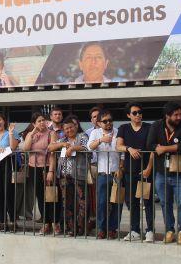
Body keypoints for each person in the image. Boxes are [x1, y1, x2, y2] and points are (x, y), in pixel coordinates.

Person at [147, 101, 181, 245]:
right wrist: (167, 147)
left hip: (180, 172)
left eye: (180, 114)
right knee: (165, 203)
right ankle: (169, 230)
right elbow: (150, 145)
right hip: (161, 172)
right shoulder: (156, 126)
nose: (179, 117)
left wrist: (164, 149)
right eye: (176, 115)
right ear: (167, 115)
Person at [116, 102, 155, 242]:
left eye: (139, 112)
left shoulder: (149, 127)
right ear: (128, 115)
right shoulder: (124, 128)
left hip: (145, 171)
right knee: (132, 201)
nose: (138, 114)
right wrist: (129, 149)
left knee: (148, 201)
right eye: (134, 113)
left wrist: (149, 168)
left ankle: (150, 230)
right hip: (130, 170)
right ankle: (134, 230)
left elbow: (153, 150)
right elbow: (118, 146)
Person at [20, 111, 60, 235]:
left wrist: (51, 171)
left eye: (43, 120)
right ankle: (45, 223)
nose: (42, 123)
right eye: (39, 121)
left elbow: (52, 153)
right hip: (34, 168)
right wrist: (33, 133)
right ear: (34, 123)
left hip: (47, 167)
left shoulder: (51, 133)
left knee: (51, 196)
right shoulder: (31, 134)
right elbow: (26, 149)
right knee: (40, 196)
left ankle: (55, 223)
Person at [50, 116, 89, 236]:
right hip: (64, 175)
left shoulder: (82, 136)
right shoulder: (63, 139)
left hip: (79, 174)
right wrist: (62, 144)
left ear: (76, 126)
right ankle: (71, 228)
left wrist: (72, 147)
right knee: (67, 202)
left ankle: (81, 228)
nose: (69, 130)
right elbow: (50, 147)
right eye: (66, 128)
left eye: (71, 127)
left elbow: (86, 147)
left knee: (82, 202)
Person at [88, 110, 121, 239]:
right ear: (99, 123)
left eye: (110, 120)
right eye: (105, 121)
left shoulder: (118, 132)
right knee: (101, 202)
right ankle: (101, 228)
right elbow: (90, 147)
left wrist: (121, 167)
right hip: (102, 172)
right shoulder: (95, 133)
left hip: (116, 172)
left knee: (116, 201)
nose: (108, 123)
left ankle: (112, 228)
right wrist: (101, 140)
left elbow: (122, 152)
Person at [0, 112, 18, 232]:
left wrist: (11, 133)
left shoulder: (11, 132)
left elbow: (13, 147)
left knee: (9, 193)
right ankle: (2, 221)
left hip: (8, 164)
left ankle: (12, 221)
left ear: (4, 120)